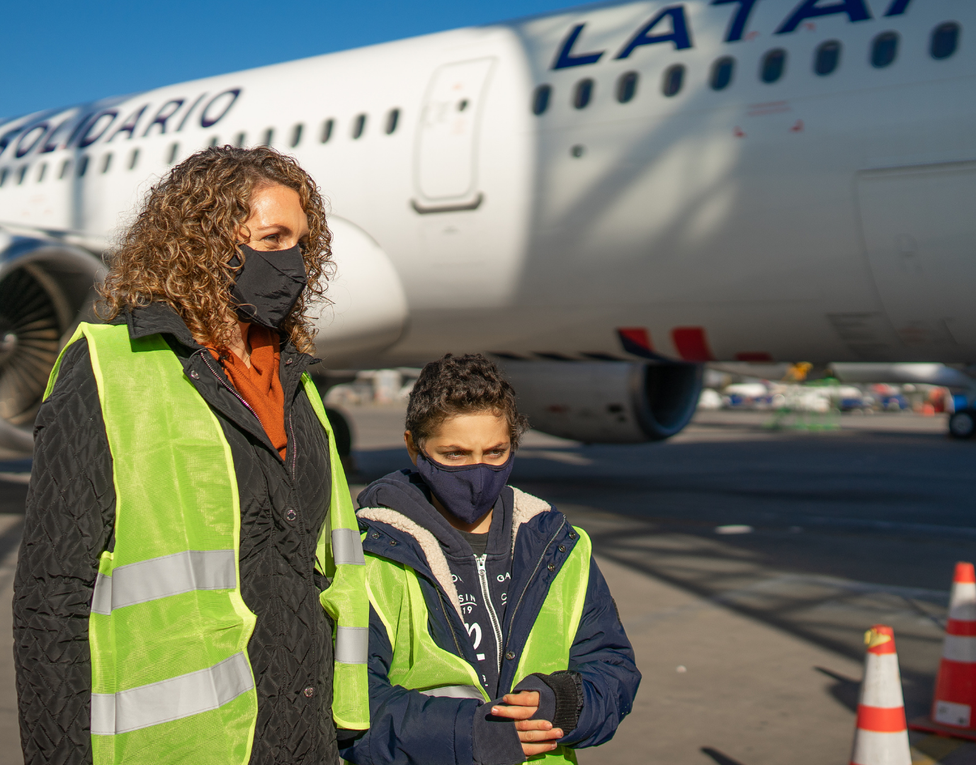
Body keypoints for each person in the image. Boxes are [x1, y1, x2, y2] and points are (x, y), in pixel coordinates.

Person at [13, 146, 369, 765]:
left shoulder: (296, 384)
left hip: (302, 737)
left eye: (302, 243)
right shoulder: (109, 370)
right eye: (273, 237)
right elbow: (52, 597)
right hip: (182, 745)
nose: (295, 262)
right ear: (204, 243)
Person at [341, 354, 640, 765]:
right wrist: (469, 737)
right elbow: (350, 708)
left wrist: (566, 703)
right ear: (414, 447)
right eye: (455, 455)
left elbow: (613, 667)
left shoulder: (560, 546)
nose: (478, 473)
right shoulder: (368, 556)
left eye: (495, 452)